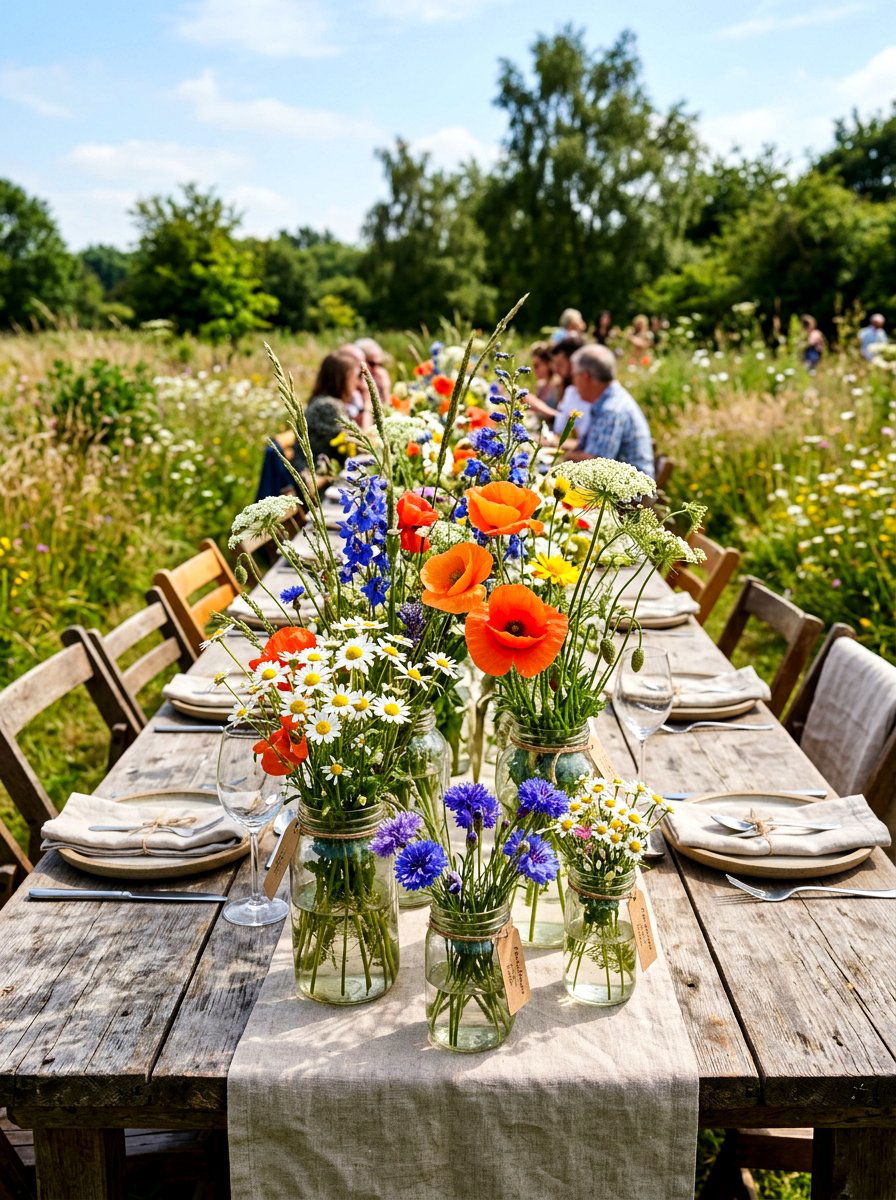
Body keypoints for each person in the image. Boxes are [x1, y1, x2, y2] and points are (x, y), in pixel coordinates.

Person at [565, 344, 654, 477]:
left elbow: (595, 465)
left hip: (629, 495)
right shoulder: (610, 399)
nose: (573, 383)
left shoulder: (611, 409)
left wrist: (563, 457)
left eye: (574, 376)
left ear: (585, 377)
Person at [296, 351, 359, 473]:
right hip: (316, 477)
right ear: (342, 379)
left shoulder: (322, 401)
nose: (357, 383)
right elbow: (358, 444)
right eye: (355, 377)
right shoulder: (329, 406)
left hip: (321, 470)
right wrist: (368, 403)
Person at [550, 335, 589, 444]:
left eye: (560, 365)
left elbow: (585, 445)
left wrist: (551, 443)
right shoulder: (570, 391)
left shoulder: (590, 397)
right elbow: (558, 430)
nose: (556, 371)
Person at [519, 343, 559, 425]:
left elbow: (563, 418)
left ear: (549, 364)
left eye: (537, 365)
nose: (534, 369)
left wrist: (538, 405)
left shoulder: (559, 386)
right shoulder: (540, 385)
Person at [355, 337, 392, 410]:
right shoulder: (353, 379)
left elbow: (387, 406)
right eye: (372, 364)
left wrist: (385, 388)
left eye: (380, 364)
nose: (377, 368)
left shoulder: (382, 374)